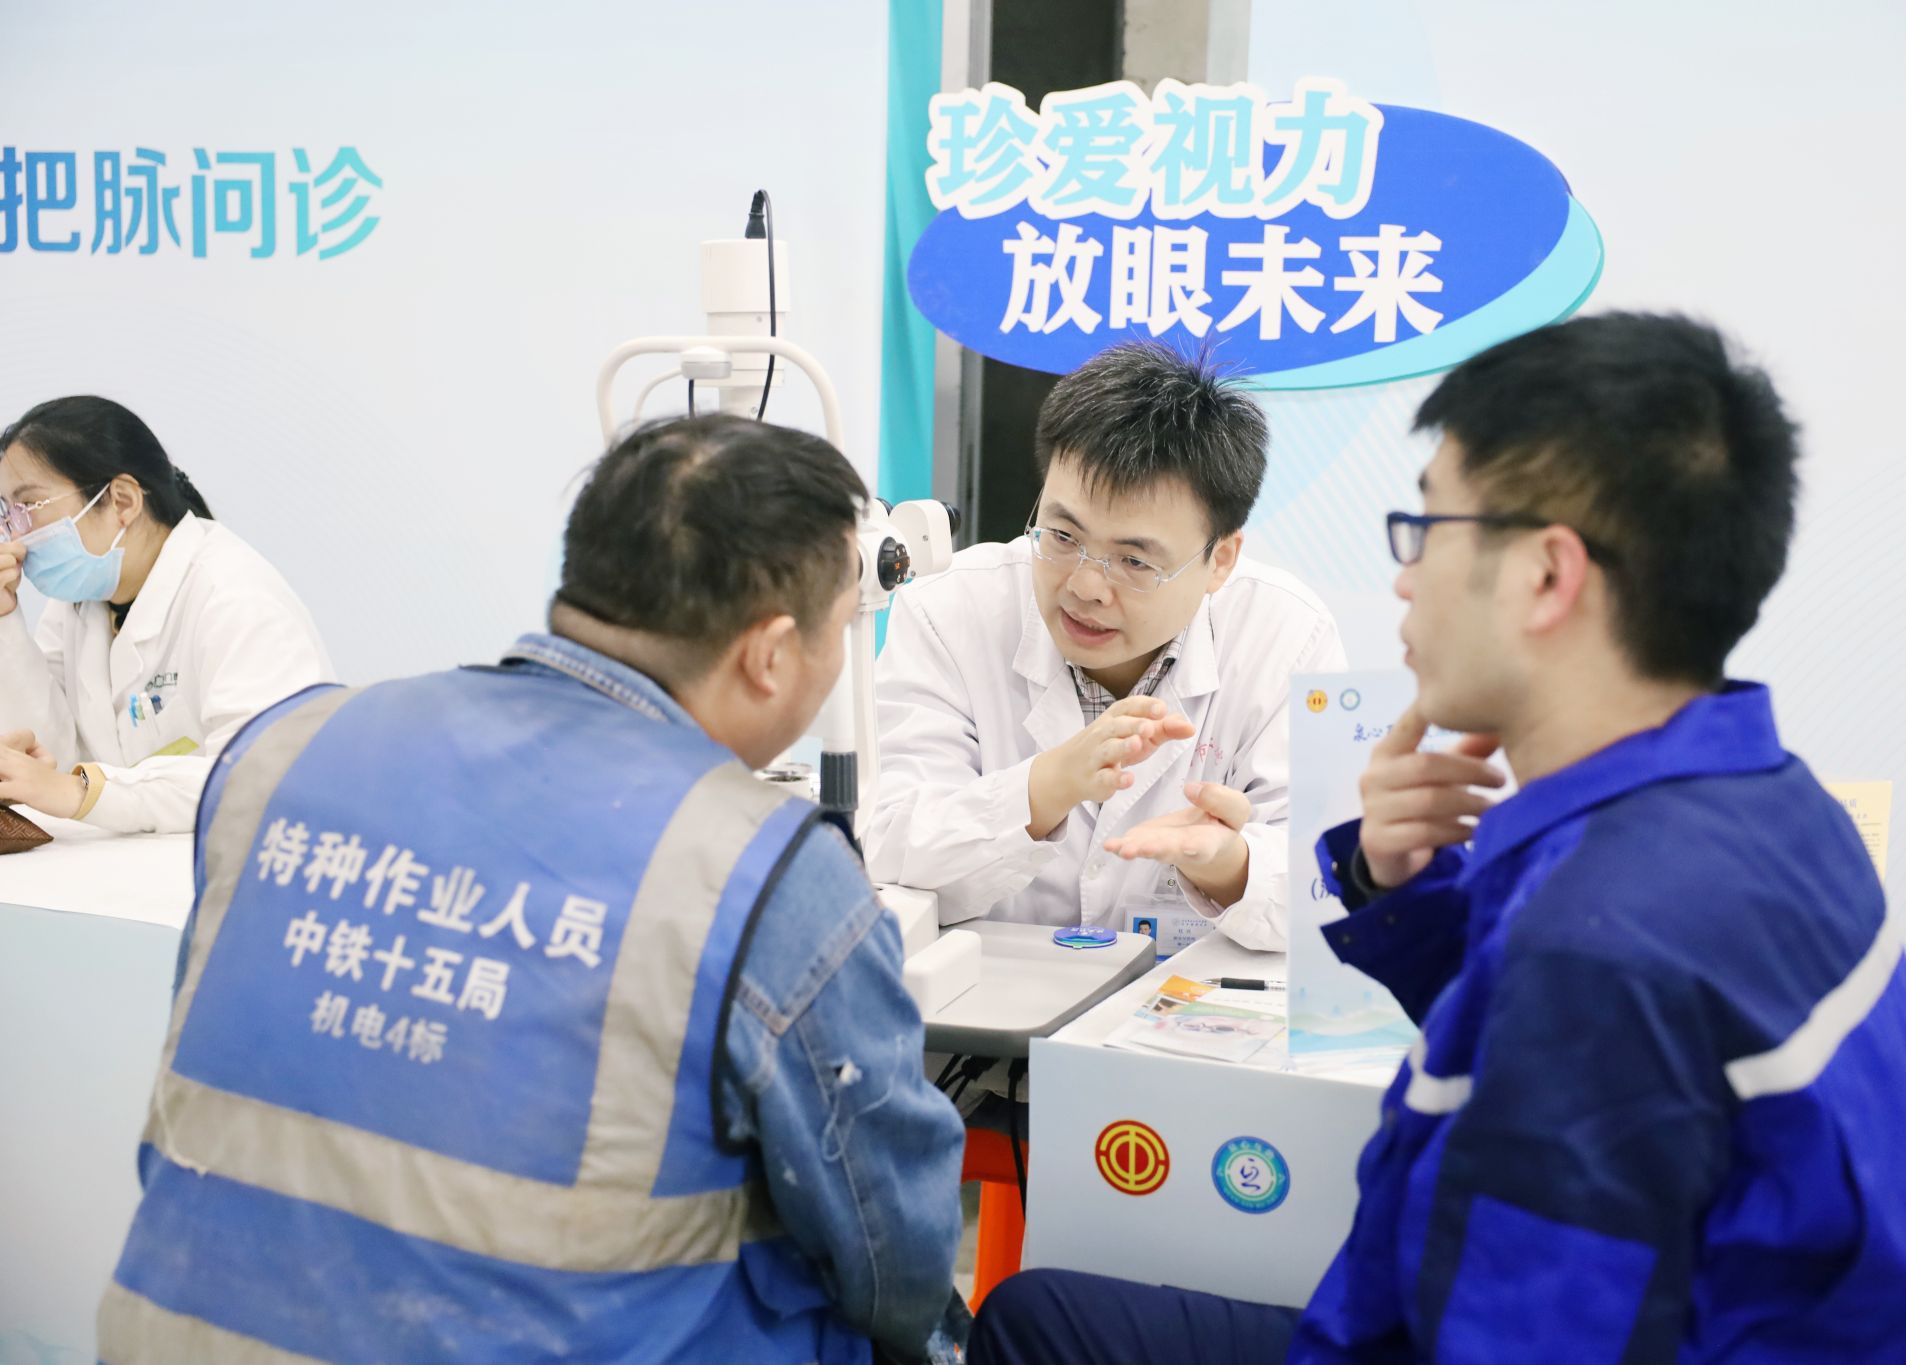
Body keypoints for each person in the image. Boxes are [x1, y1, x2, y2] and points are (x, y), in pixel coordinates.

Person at [970, 313, 1906, 1363]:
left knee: (1035, 1327)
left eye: (1426, 529)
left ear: (1546, 576)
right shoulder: (1762, 803)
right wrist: (1403, 890)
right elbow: (1552, 1059)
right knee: (1042, 1316)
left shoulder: (1602, 946)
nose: (1403, 578)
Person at [98, 414, 966, 1363]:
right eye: (842, 625)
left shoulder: (282, 751)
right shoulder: (766, 872)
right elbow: (899, 1256)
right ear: (770, 652)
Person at [867, 342, 1344, 952]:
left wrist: (1229, 865)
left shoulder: (1286, 637)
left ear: (1220, 559)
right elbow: (888, 848)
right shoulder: (949, 610)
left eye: (1135, 561)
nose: (1085, 586)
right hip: (985, 1003)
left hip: (1187, 1008)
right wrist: (1046, 787)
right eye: (1063, 535)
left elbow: (1332, 885)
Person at [0, 396, 333, 832]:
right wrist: (5, 621)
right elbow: (44, 756)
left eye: (29, 508)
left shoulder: (234, 595)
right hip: (133, 862)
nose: (15, 537)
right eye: (8, 513)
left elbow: (261, 778)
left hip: (240, 856)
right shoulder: (79, 602)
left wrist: (86, 793)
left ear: (122, 501)